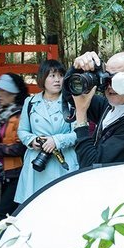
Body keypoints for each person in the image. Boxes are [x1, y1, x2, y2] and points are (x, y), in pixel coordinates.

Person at [70, 50, 124, 167]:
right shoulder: (110, 106)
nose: (110, 86)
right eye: (107, 79)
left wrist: (81, 115)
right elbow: (69, 95)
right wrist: (76, 67)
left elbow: (91, 166)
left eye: (119, 80)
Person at [17, 59, 78, 203]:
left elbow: (79, 133)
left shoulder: (71, 101)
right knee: (34, 204)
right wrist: (32, 141)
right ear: (42, 78)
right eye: (52, 76)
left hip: (63, 160)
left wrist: (56, 141)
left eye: (61, 75)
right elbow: (23, 130)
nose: (57, 80)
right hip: (37, 160)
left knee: (61, 203)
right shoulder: (30, 102)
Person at [0, 73, 28, 221]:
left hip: (17, 172)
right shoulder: (1, 113)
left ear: (14, 94)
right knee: (12, 214)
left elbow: (21, 148)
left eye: (4, 91)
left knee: (2, 215)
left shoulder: (20, 116)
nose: (0, 94)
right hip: (5, 173)